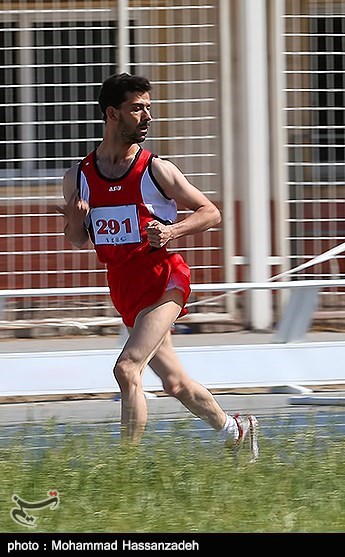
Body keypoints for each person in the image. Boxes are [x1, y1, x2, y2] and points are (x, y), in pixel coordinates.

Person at [59, 73, 259, 461]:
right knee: (174, 383)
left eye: (149, 107)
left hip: (165, 278)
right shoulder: (78, 177)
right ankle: (236, 430)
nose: (147, 116)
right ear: (112, 114)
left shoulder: (156, 170)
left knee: (127, 368)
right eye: (138, 108)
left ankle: (125, 470)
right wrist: (76, 220)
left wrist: (172, 232)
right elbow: (79, 240)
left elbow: (210, 212)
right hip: (124, 286)